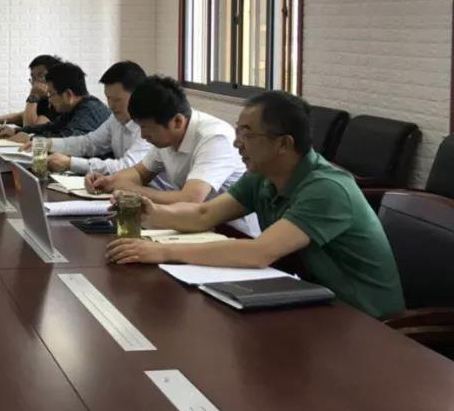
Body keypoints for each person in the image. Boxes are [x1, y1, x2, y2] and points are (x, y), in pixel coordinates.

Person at [105, 91, 405, 319]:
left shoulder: (326, 189)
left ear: (283, 144)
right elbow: (204, 214)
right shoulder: (262, 175)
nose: (237, 143)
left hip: (364, 317)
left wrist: (163, 252)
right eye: (238, 132)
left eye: (247, 134)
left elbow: (259, 252)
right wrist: (153, 213)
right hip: (310, 298)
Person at [87, 75, 256, 233]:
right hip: (194, 223)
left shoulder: (215, 138)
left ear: (177, 121)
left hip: (232, 231)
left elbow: (190, 199)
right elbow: (139, 172)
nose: (143, 136)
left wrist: (134, 191)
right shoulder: (167, 137)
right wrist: (110, 181)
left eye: (146, 128)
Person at [43, 61, 151, 174]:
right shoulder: (116, 119)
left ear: (137, 96)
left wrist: (71, 164)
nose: (111, 105)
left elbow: (127, 167)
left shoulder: (150, 126)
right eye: (108, 98)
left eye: (117, 100)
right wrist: (48, 144)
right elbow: (89, 143)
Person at [0, 62, 110, 143]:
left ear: (68, 95)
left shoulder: (90, 110)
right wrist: (16, 131)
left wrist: (30, 139)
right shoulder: (75, 108)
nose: (49, 100)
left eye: (51, 94)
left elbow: (68, 141)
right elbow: (51, 127)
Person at [0, 55, 62, 129]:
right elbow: (20, 116)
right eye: (33, 77)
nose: (35, 82)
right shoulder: (44, 99)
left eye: (41, 75)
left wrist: (33, 96)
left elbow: (30, 129)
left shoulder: (61, 103)